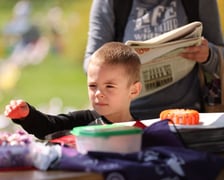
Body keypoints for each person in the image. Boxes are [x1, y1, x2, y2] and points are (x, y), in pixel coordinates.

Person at [83, 0, 224, 119]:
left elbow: (220, 53)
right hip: (126, 117)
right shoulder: (110, 3)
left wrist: (208, 54)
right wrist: (119, 62)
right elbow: (90, 62)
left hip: (186, 115)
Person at [4, 42, 142, 139]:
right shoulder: (83, 121)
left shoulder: (144, 130)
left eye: (110, 86)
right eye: (93, 86)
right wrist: (27, 115)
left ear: (134, 90)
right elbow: (49, 127)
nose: (98, 93)